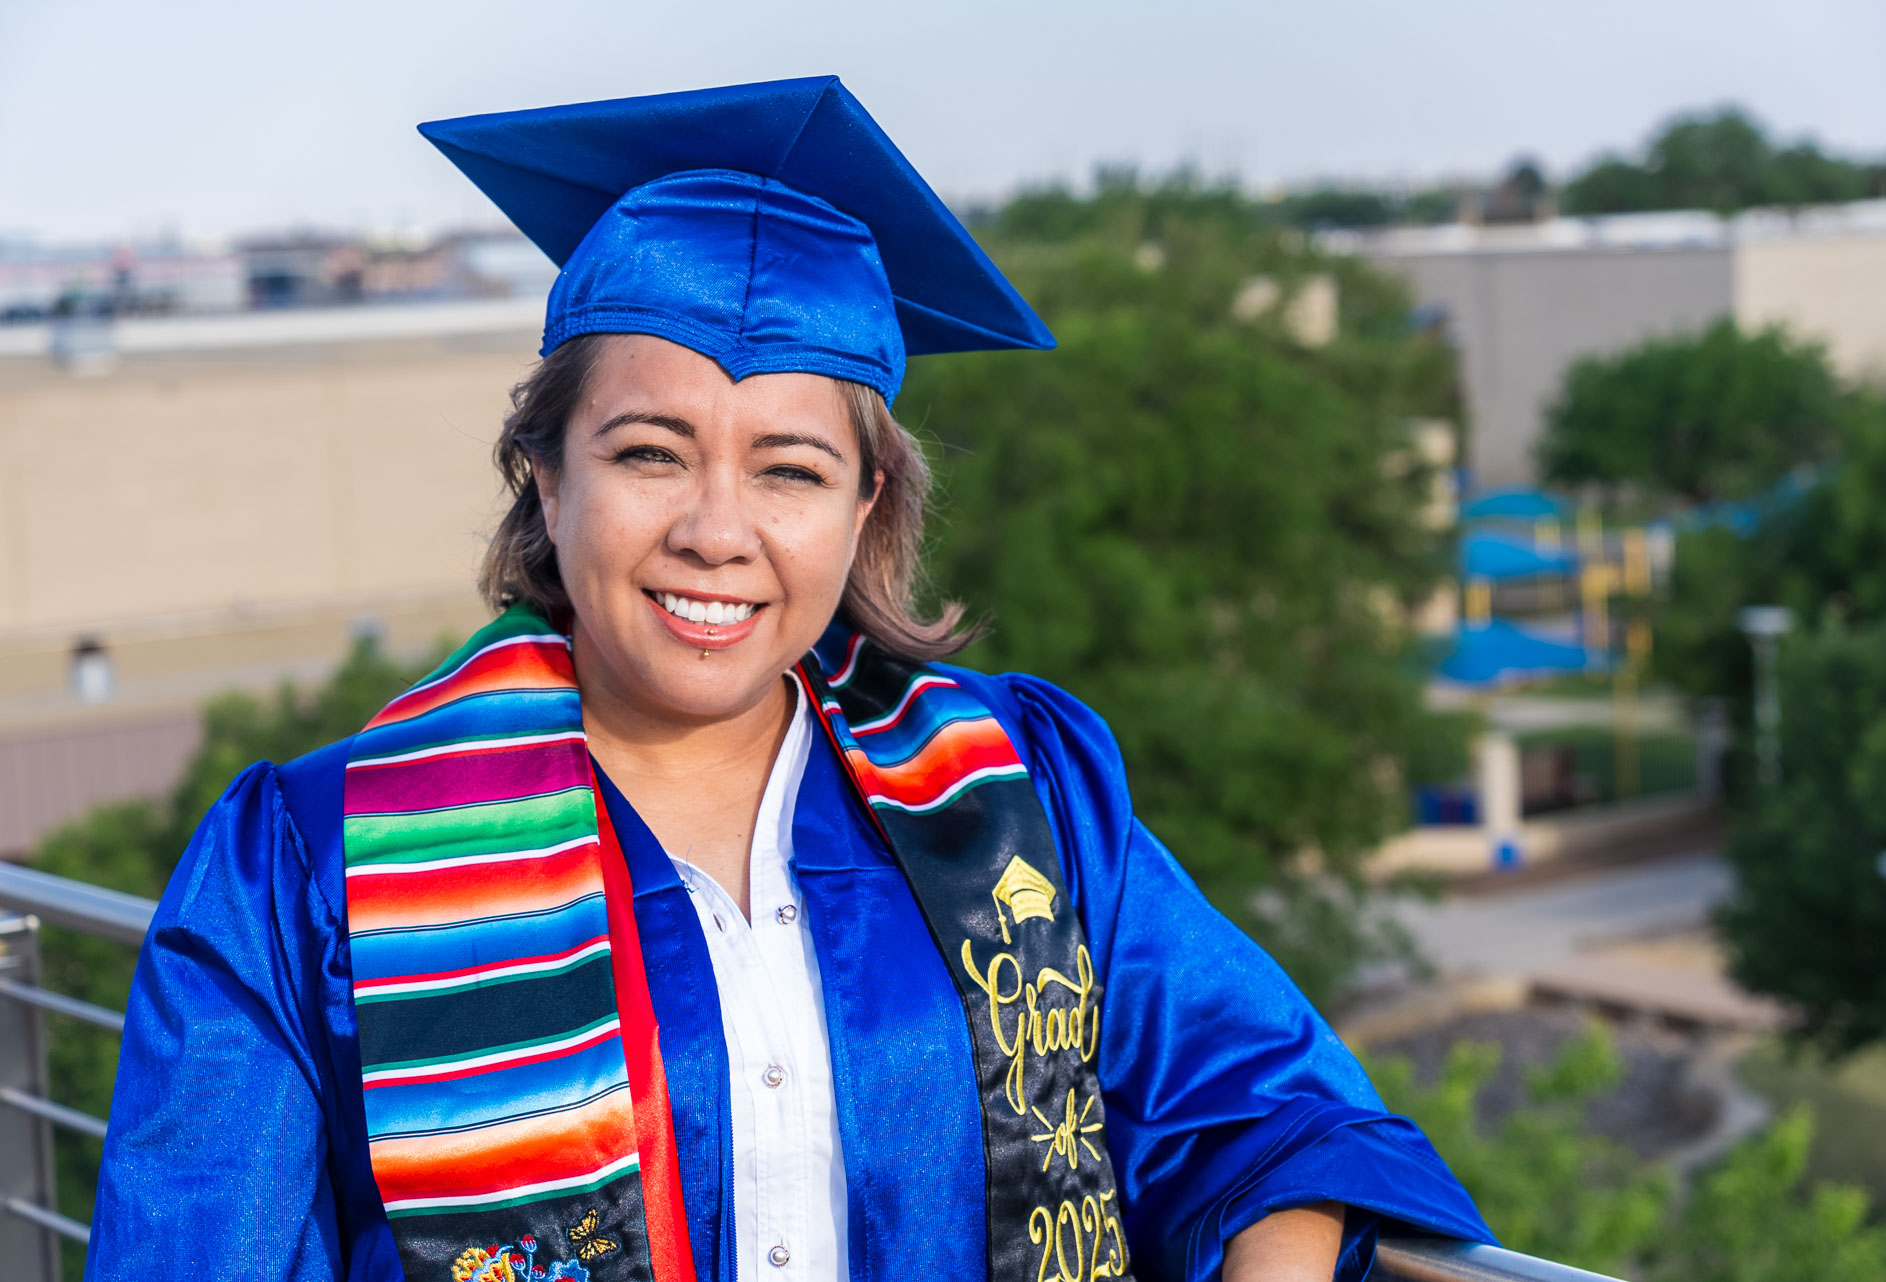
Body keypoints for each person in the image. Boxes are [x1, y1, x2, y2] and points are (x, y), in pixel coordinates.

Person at [86, 77, 1491, 1282]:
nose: (718, 527)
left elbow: (1264, 1103)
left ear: (869, 504)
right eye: (649, 452)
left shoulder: (1017, 794)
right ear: (545, 472)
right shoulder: (310, 868)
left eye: (791, 468)